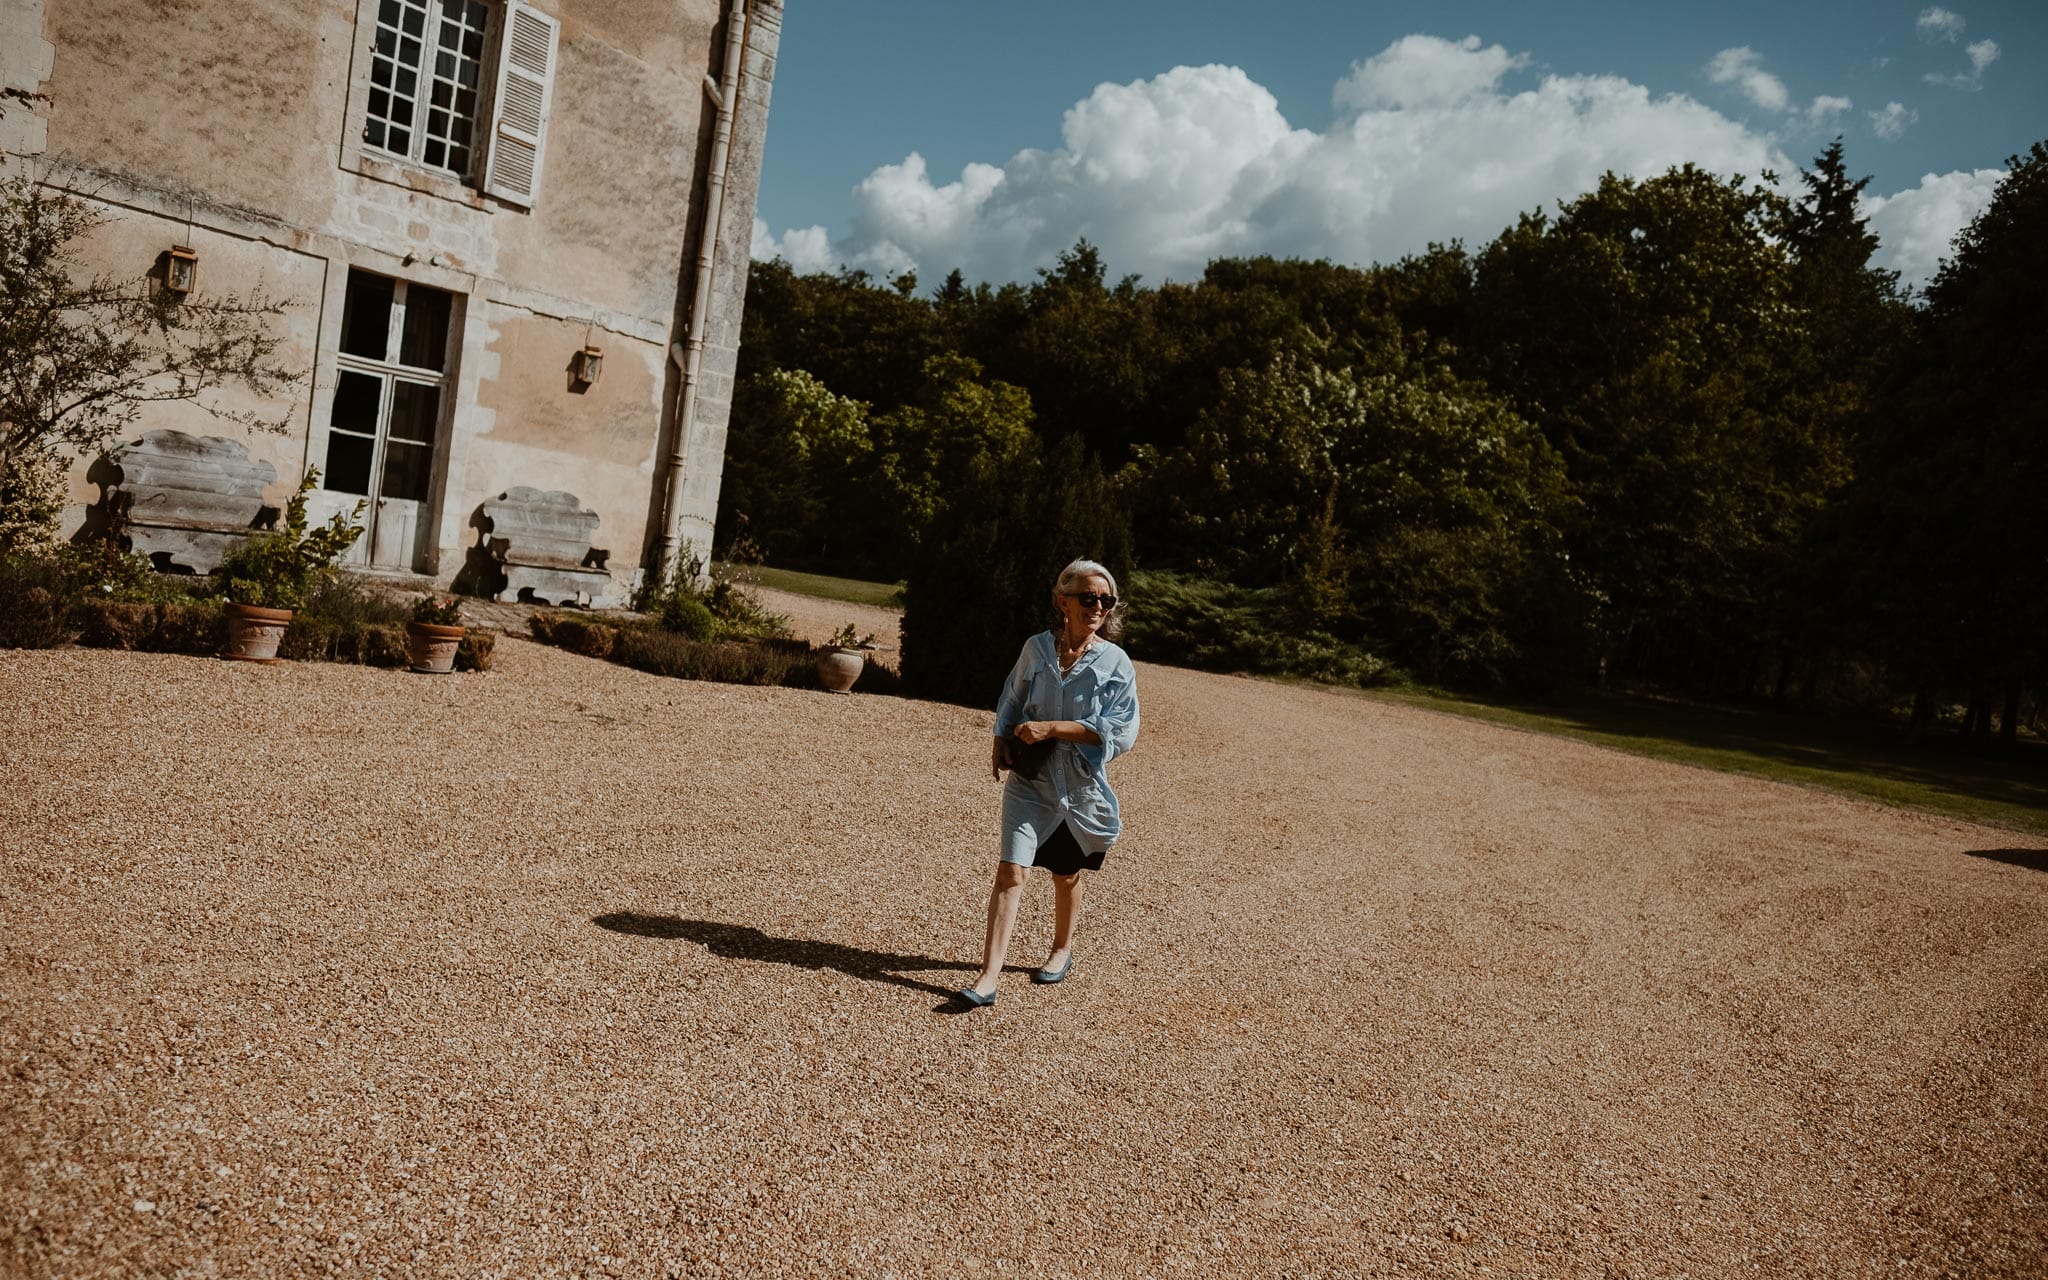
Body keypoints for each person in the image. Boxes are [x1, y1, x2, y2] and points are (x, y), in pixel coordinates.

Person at [957, 559, 1140, 1008]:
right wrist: (1001, 735)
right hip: (1030, 778)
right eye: (1088, 597)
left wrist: (1054, 728)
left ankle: (1062, 949)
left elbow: (1122, 729)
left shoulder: (1116, 662)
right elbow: (1013, 696)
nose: (1098, 605)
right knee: (1011, 872)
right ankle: (987, 977)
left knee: (1065, 872)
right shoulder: (1036, 649)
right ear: (1063, 601)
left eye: (1105, 599)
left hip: (1078, 788)